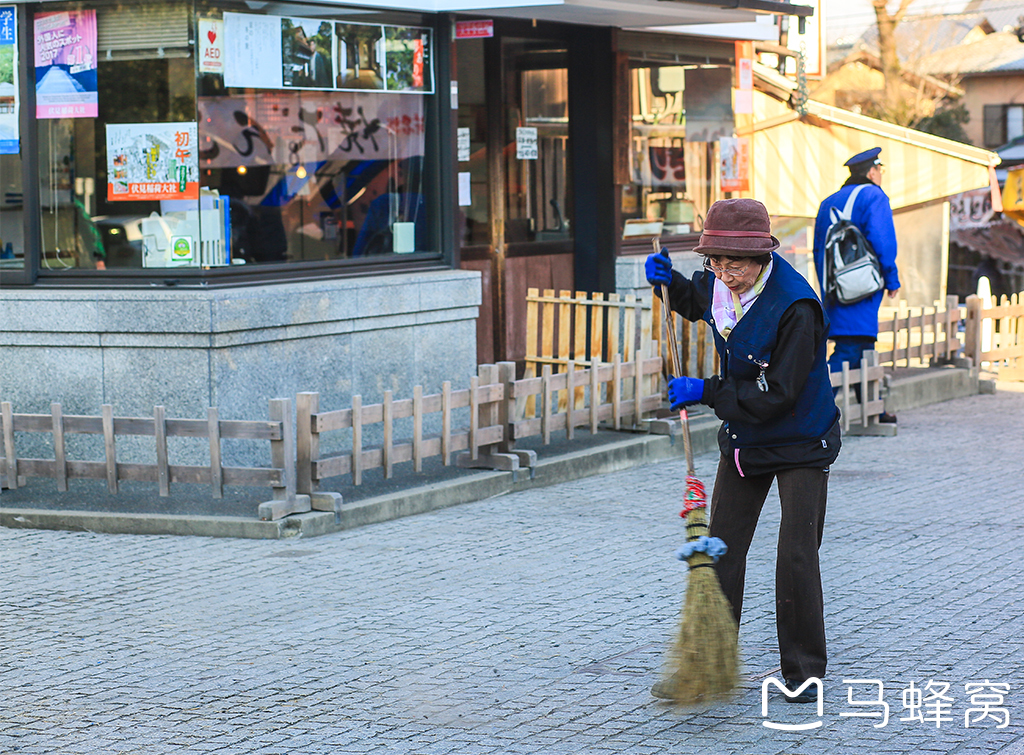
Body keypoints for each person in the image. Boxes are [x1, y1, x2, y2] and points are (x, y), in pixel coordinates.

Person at [645, 198, 841, 704]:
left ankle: (803, 673)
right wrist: (670, 284)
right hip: (745, 438)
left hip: (801, 437)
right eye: (715, 262)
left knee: (795, 555)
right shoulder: (718, 282)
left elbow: (779, 393)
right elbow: (699, 300)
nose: (725, 274)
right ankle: (711, 660)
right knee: (721, 549)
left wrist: (706, 391)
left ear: (762, 257)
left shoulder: (796, 306)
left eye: (736, 264)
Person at [812, 147, 900, 422]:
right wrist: (892, 277)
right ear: (872, 172)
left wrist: (828, 288)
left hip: (835, 288)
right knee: (851, 347)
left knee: (862, 346)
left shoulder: (828, 201)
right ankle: (813, 410)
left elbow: (817, 250)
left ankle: (873, 408)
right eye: (880, 171)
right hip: (861, 287)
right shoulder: (874, 195)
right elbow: (883, 240)